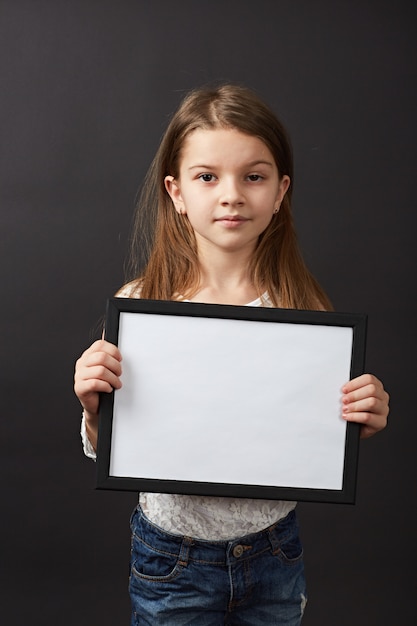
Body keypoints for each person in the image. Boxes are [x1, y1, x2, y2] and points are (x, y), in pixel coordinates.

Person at [74, 84, 389, 625]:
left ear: (281, 189)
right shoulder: (141, 306)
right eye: (207, 176)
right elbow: (110, 443)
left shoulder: (303, 308)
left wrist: (357, 418)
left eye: (254, 176)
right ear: (175, 191)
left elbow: (314, 432)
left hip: (273, 552)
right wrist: (91, 407)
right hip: (171, 557)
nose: (232, 195)